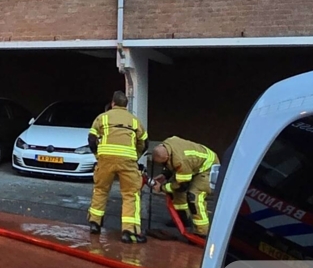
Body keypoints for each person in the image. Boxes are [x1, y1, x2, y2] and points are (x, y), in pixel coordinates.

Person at [87, 91, 149, 244]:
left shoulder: (102, 117)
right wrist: (135, 156)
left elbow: (91, 139)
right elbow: (144, 143)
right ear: (126, 106)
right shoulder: (135, 121)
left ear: (113, 103)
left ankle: (95, 223)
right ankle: (129, 231)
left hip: (105, 160)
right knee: (130, 194)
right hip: (128, 161)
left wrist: (98, 156)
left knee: (100, 190)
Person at [151, 137, 217, 236]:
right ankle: (182, 218)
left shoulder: (181, 160)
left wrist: (161, 188)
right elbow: (171, 165)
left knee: (193, 195)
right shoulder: (166, 145)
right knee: (176, 191)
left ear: (167, 157)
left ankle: (202, 232)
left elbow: (181, 186)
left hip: (207, 167)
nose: (164, 165)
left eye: (163, 163)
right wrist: (165, 175)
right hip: (193, 164)